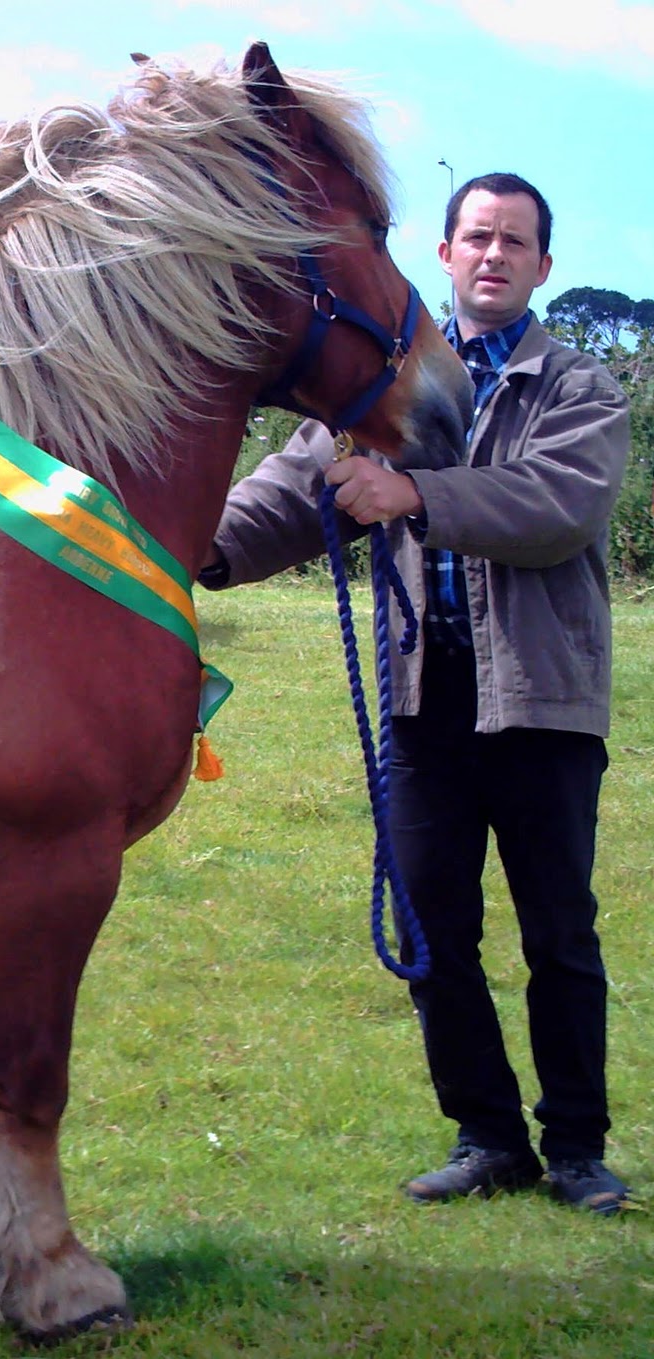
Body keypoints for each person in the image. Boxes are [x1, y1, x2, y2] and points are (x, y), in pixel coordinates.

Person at [199, 173, 633, 1214]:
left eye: (514, 242)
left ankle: (575, 1147)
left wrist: (414, 493)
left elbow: (554, 508)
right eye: (476, 235)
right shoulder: (376, 385)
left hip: (539, 705)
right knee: (434, 932)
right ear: (442, 254)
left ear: (541, 268)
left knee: (557, 935)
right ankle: (487, 1138)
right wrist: (190, 552)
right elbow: (291, 491)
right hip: (421, 706)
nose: (493, 254)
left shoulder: (575, 388)